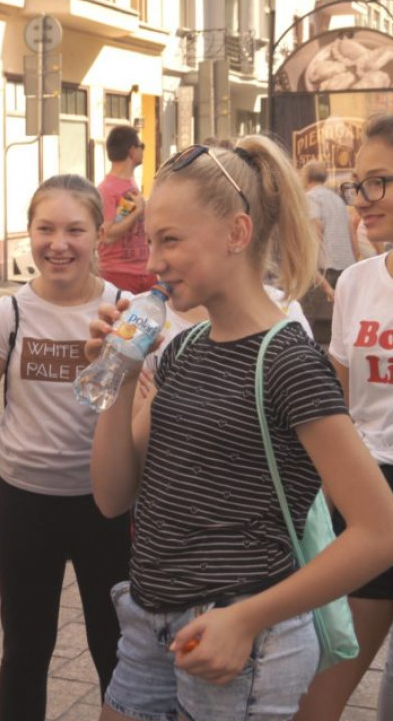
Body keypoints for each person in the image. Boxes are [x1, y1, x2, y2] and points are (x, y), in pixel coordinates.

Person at [86, 138, 393, 720]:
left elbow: (379, 529)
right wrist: (119, 378)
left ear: (237, 232)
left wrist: (247, 619)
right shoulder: (185, 348)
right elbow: (111, 497)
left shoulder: (288, 361)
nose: (153, 263)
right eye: (151, 241)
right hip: (147, 625)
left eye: (170, 240)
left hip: (240, 642)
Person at [0, 175, 131, 720]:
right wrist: (21, 456)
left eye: (75, 229)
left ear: (99, 234)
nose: (59, 243)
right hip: (23, 509)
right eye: (45, 228)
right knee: (26, 650)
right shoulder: (9, 314)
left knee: (117, 652)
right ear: (28, 233)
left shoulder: (128, 312)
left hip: (110, 510)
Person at [295, 115, 393, 719]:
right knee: (317, 695)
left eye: (378, 182)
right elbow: (340, 402)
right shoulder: (358, 281)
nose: (362, 200)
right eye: (358, 184)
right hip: (366, 492)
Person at [299, 160, 357, 345]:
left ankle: (302, 354)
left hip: (323, 266)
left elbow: (316, 227)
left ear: (306, 177)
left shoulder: (311, 197)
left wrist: (310, 265)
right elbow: (351, 230)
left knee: (305, 316)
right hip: (345, 264)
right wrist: (355, 259)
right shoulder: (338, 199)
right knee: (342, 317)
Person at [98, 125, 156, 294]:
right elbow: (107, 235)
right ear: (132, 150)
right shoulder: (106, 190)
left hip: (145, 272)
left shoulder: (131, 183)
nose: (143, 150)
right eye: (141, 146)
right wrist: (138, 211)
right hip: (119, 274)